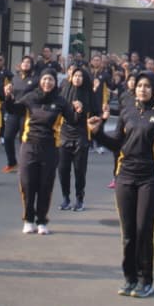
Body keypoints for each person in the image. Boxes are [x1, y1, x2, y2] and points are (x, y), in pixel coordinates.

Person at [93, 71, 154, 297]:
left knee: (144, 229)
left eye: (147, 86)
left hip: (151, 178)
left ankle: (145, 280)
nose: (142, 89)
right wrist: (97, 133)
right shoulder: (127, 112)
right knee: (129, 231)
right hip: (125, 176)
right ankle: (129, 278)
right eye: (140, 86)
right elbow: (116, 144)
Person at [8, 69, 69, 234]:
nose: (47, 83)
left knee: (45, 186)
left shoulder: (60, 102)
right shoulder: (30, 98)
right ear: (40, 81)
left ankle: (42, 220)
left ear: (55, 82)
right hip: (29, 146)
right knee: (28, 184)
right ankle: (28, 219)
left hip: (50, 148)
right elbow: (13, 109)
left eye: (50, 79)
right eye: (44, 79)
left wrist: (79, 111)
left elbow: (73, 119)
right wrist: (8, 96)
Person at [58, 64, 98, 212]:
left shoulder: (88, 93)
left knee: (79, 169)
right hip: (64, 133)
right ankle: (65, 198)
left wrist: (83, 110)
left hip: (81, 134)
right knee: (63, 169)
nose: (77, 78)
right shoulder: (65, 90)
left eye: (80, 76)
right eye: (75, 75)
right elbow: (58, 110)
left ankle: (79, 199)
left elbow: (96, 112)